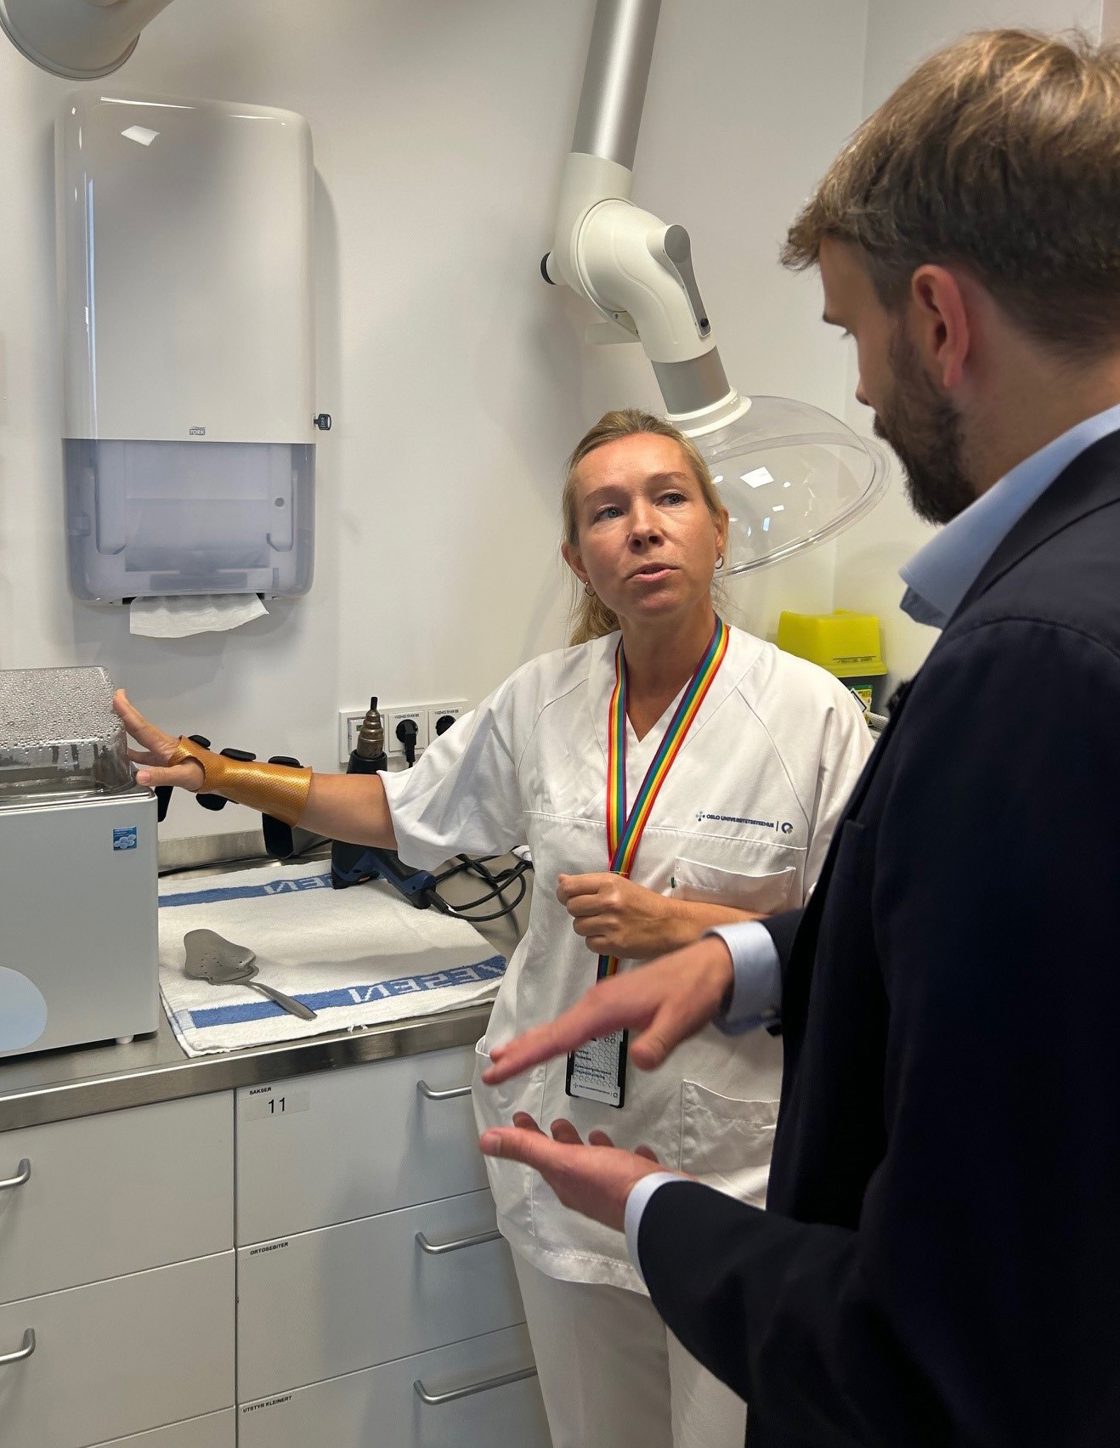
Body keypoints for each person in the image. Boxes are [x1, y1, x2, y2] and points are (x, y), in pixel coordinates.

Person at [477, 28, 1120, 1448]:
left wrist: (655, 1211)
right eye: (605, 511)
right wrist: (749, 959)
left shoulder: (1027, 665)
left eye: (849, 333)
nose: (864, 392)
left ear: (938, 320)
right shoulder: (546, 696)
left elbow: (944, 1341)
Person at [115, 408, 871, 1448]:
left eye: (669, 497)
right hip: (564, 1149)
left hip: (729, 1177)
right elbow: (402, 809)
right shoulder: (545, 700)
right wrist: (221, 771)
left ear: (718, 528)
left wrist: (684, 923)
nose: (643, 527)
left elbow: (862, 947)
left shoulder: (812, 715)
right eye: (607, 511)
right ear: (577, 558)